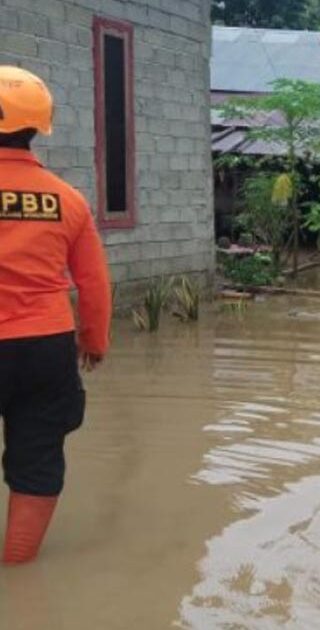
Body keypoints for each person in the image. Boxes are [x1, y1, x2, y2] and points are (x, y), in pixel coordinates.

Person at [0, 66, 112, 564]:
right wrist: (95, 342)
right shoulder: (68, 199)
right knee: (38, 457)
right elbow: (93, 284)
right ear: (37, 126)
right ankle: (18, 564)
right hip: (45, 348)